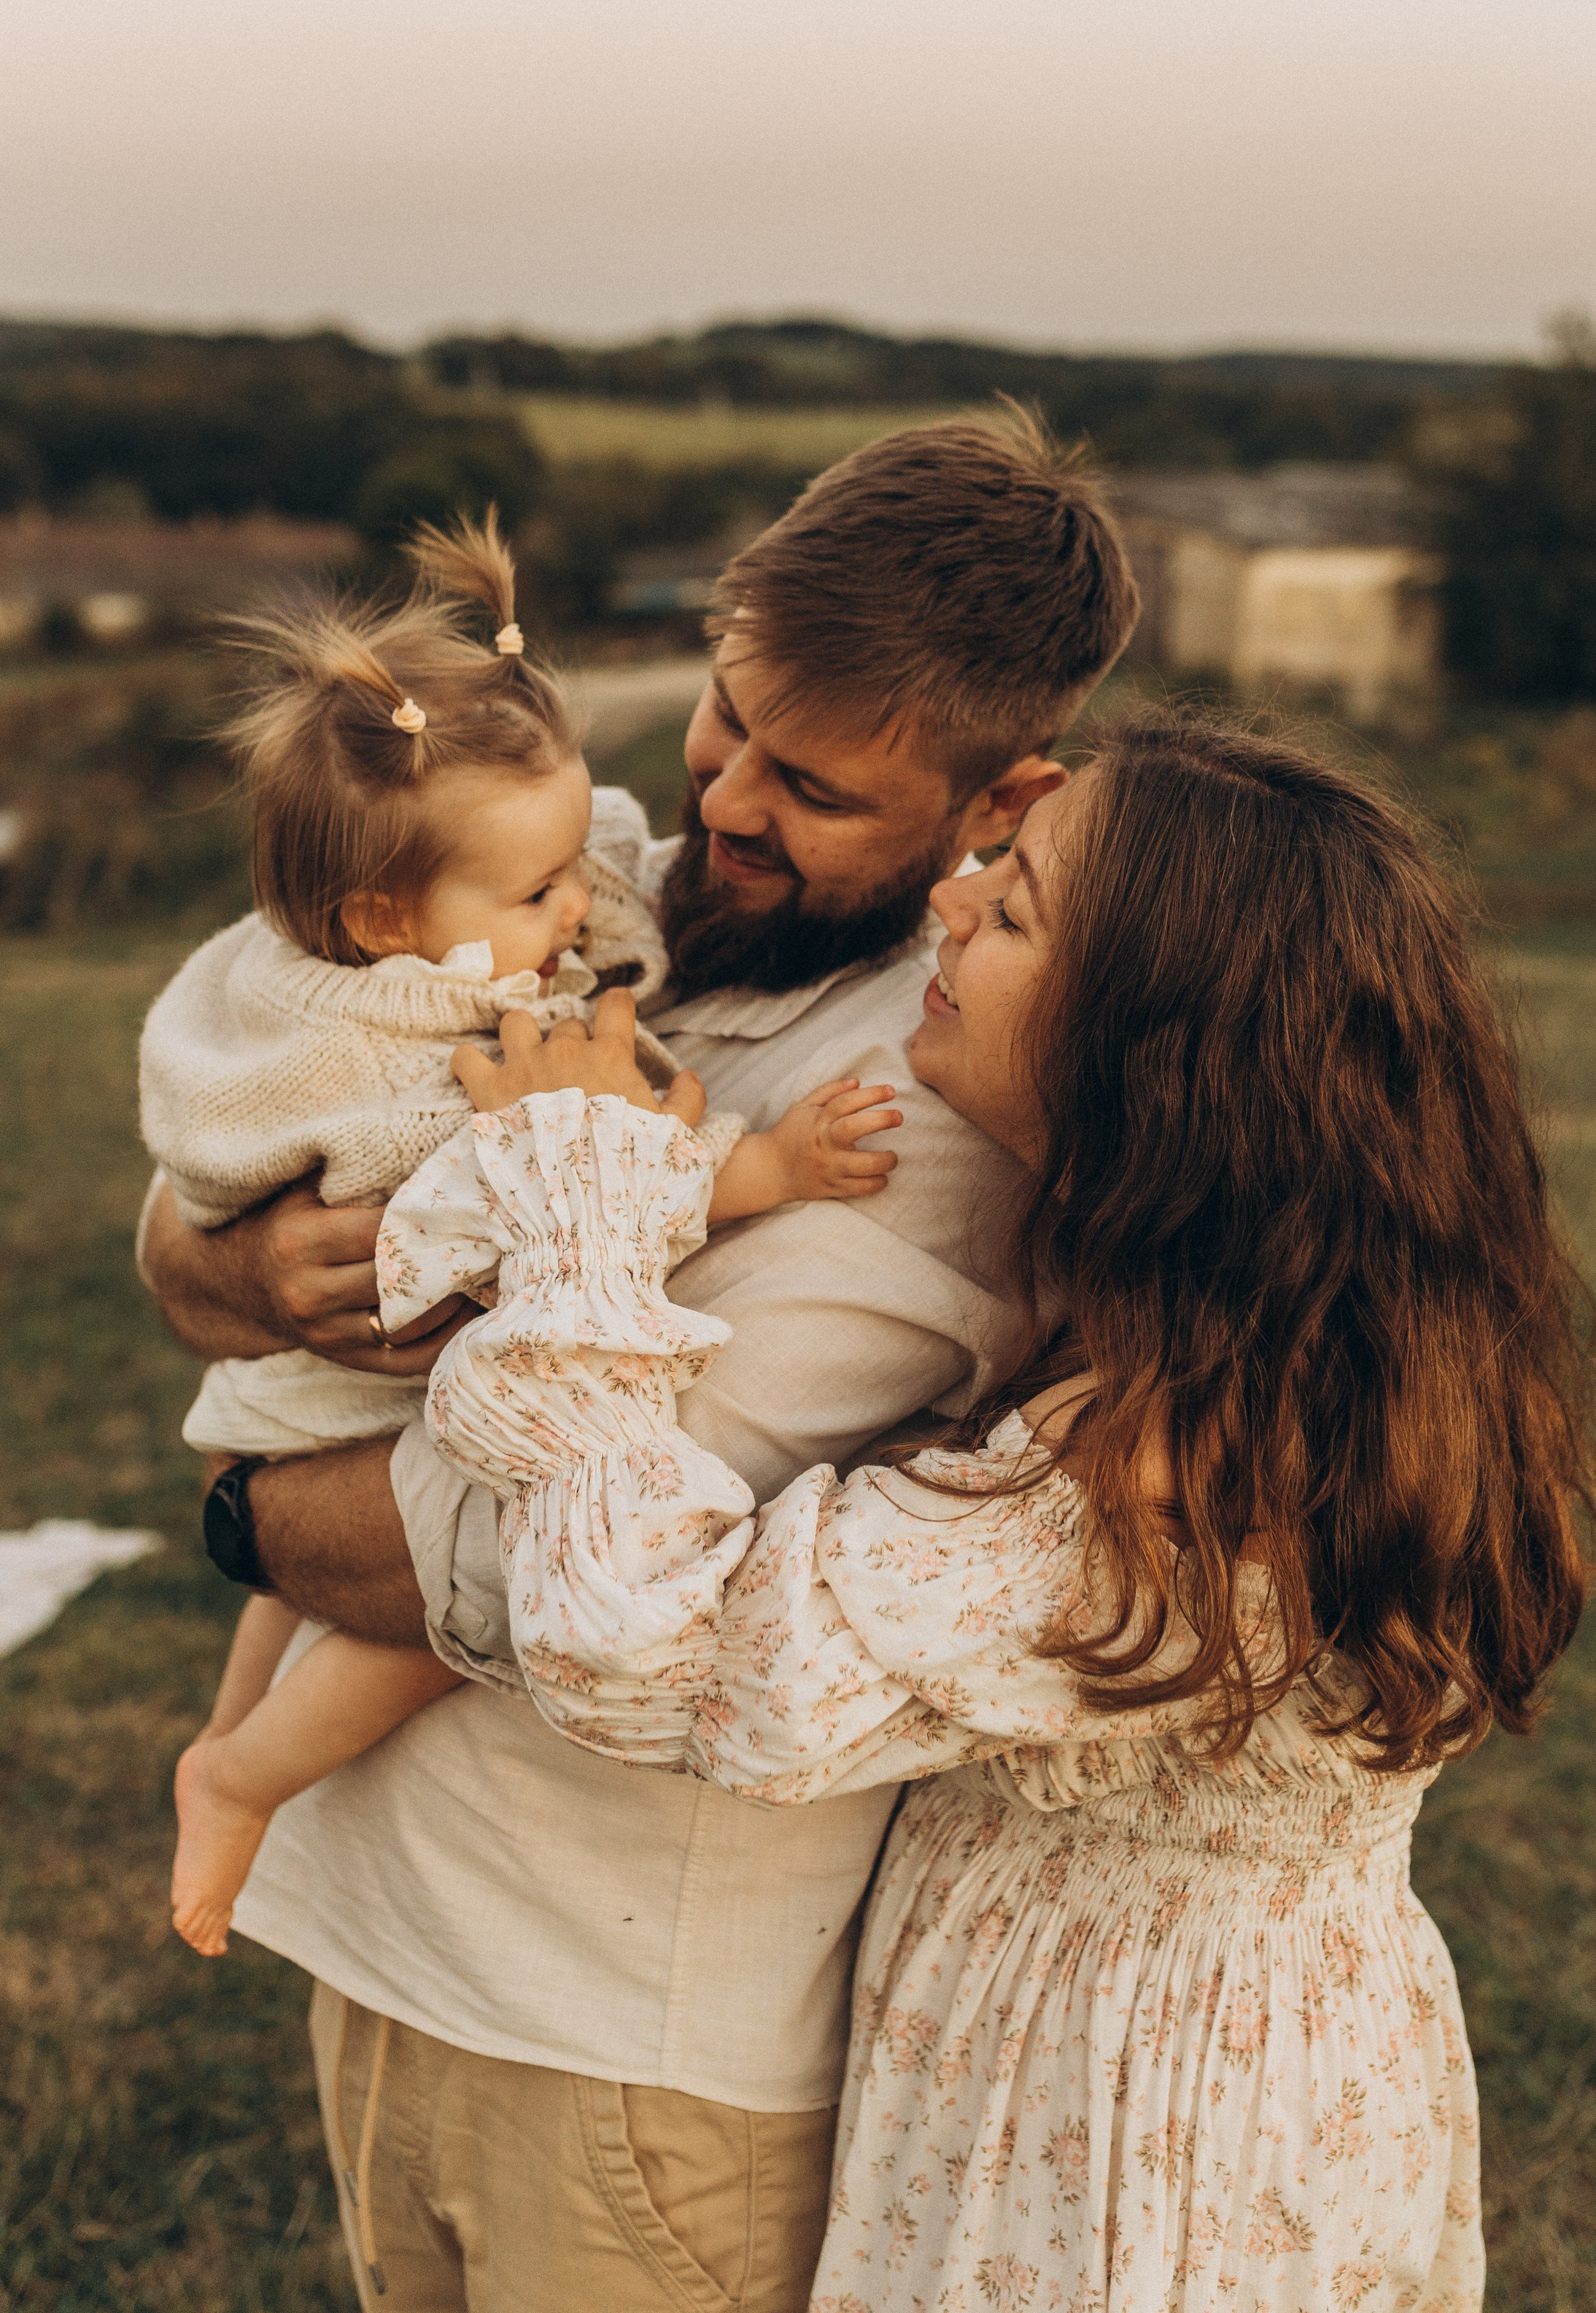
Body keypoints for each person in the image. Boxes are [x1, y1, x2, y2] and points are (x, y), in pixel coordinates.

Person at [388, 710, 1596, 2312]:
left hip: (1119, 2123)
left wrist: (580, 1207)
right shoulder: (1315, 1349)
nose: (950, 906)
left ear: (1152, 1050)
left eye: (1015, 905)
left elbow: (661, 1651)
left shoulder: (1176, 1481)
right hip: (1259, 2060)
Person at [136, 416, 1139, 2311]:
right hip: (390, 1938)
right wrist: (248, 1266)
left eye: (816, 786)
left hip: (622, 2044)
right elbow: (223, 1197)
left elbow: (538, 1555)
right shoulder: (571, 892)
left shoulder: (933, 1105)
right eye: (724, 718)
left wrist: (236, 1509)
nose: (729, 805)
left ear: (1006, 794)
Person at [147, 511, 903, 1958]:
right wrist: (769, 1168)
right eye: (539, 892)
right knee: (405, 1631)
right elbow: (586, 1182)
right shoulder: (420, 1070)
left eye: (573, 866)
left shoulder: (360, 953)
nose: (580, 908)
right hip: (353, 1403)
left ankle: (224, 1750)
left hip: (281, 1418)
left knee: (286, 1591)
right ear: (384, 919)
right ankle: (242, 1770)